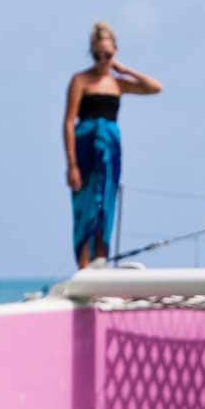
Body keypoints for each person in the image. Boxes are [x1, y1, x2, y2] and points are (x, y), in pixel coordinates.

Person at [63, 21, 162, 269]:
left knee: (105, 204)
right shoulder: (80, 80)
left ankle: (101, 264)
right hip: (85, 146)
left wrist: (125, 70)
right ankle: (83, 267)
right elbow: (68, 121)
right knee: (85, 206)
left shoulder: (117, 83)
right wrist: (71, 164)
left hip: (110, 148)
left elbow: (155, 88)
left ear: (114, 52)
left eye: (107, 54)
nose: (102, 59)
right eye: (98, 54)